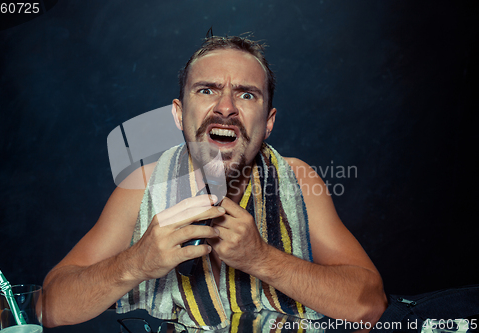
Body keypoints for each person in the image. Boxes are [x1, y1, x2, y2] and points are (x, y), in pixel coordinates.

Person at [42, 35, 388, 329]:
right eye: (207, 90)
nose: (225, 107)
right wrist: (137, 262)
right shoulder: (142, 185)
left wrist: (261, 258)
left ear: (268, 123)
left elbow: (369, 303)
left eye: (246, 94)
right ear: (179, 113)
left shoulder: (297, 179)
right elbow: (50, 307)